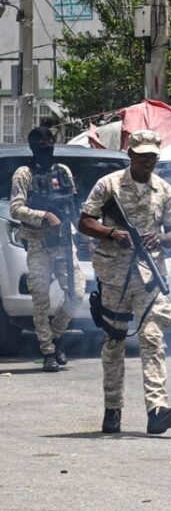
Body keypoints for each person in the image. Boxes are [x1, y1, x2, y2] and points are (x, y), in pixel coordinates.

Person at [78, 130, 171, 435]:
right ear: (131, 155)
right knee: (114, 342)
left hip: (149, 276)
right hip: (114, 276)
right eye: (142, 156)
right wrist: (112, 233)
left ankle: (157, 410)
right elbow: (85, 220)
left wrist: (160, 237)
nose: (147, 161)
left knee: (152, 335)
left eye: (152, 156)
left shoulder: (164, 190)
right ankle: (113, 409)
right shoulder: (108, 185)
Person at [9, 122, 85, 372]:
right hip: (38, 242)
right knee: (40, 301)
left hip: (63, 241)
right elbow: (16, 208)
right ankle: (49, 351)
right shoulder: (24, 174)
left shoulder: (63, 171)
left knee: (76, 294)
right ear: (32, 148)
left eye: (50, 145)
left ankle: (57, 334)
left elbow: (72, 204)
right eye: (42, 146)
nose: (47, 150)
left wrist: (85, 232)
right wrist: (44, 216)